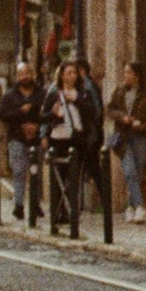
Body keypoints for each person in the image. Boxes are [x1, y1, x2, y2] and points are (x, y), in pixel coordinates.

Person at [41, 60, 104, 228]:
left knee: (73, 177)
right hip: (57, 138)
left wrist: (77, 99)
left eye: (74, 73)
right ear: (61, 75)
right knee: (58, 176)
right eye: (68, 73)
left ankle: (70, 211)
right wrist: (52, 115)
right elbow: (43, 116)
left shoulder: (84, 93)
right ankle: (57, 211)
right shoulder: (54, 92)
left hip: (76, 138)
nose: (72, 76)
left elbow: (93, 113)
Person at [106, 61, 146, 225]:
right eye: (124, 72)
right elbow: (110, 109)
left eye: (128, 72)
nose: (125, 75)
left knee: (138, 172)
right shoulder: (119, 92)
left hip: (141, 137)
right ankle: (140, 207)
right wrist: (122, 117)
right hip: (123, 137)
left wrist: (141, 124)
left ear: (137, 75)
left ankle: (130, 207)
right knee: (130, 171)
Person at [0, 64, 42, 219]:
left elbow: (46, 112)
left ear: (33, 74)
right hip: (17, 137)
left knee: (36, 172)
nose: (25, 76)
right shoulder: (10, 95)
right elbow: (2, 114)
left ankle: (35, 204)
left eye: (27, 73)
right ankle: (19, 205)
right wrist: (19, 112)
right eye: (21, 74)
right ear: (17, 76)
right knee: (18, 171)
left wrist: (36, 126)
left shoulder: (40, 93)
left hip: (36, 138)